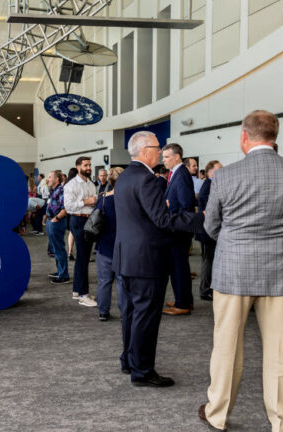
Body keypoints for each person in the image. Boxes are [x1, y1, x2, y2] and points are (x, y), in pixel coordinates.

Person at [198, 110, 283, 432]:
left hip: (233, 272)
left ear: (244, 136)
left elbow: (211, 226)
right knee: (280, 350)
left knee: (226, 346)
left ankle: (217, 413)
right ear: (275, 136)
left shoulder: (223, 176)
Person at [113, 131, 203, 387]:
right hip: (147, 260)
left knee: (131, 314)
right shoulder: (148, 180)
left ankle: (129, 361)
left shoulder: (124, 178)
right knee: (146, 316)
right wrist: (201, 219)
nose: (160, 150)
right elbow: (162, 220)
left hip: (126, 258)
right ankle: (142, 371)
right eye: (157, 146)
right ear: (145, 151)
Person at [161, 143, 197, 315]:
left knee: (178, 267)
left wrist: (175, 223)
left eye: (167, 157)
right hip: (178, 228)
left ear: (177, 157)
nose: (164, 160)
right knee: (179, 266)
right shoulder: (176, 173)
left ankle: (182, 304)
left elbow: (186, 205)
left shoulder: (181, 174)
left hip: (178, 229)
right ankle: (184, 299)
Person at [64, 157, 98, 307]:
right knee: (83, 257)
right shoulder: (71, 185)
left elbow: (94, 201)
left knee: (82, 258)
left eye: (90, 165)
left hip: (89, 220)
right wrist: (86, 201)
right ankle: (83, 295)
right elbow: (69, 206)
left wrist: (94, 201)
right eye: (85, 165)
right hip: (77, 221)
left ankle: (77, 291)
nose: (89, 167)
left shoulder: (91, 183)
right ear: (78, 167)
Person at [95, 167, 124, 322]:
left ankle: (103, 311)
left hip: (104, 245)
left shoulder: (103, 199)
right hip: (123, 246)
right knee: (122, 281)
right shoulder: (129, 201)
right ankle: (124, 310)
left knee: (104, 281)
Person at [196, 160, 222, 301]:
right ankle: (205, 290)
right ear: (210, 172)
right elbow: (210, 210)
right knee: (209, 260)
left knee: (210, 259)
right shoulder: (209, 186)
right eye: (219, 168)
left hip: (209, 229)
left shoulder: (211, 185)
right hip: (207, 230)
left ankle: (208, 288)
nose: (222, 171)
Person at [45, 171, 70, 285]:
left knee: (59, 248)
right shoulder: (53, 190)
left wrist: (56, 219)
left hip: (57, 222)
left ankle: (64, 275)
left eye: (50, 177)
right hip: (51, 221)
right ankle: (60, 271)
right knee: (55, 249)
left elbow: (65, 209)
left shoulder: (61, 190)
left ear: (56, 179)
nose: (48, 179)